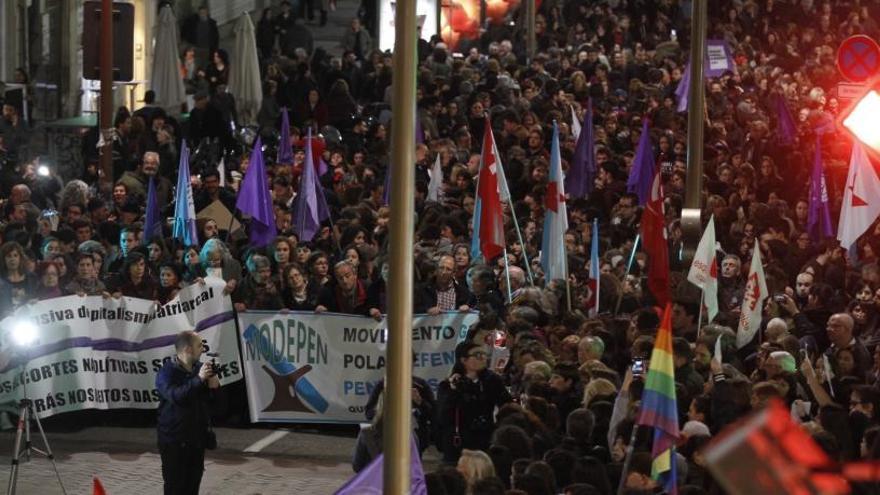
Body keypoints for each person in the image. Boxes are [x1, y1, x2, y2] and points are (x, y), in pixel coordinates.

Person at [156, 330, 220, 495]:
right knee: (175, 487)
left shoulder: (199, 368)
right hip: (174, 441)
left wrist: (214, 385)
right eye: (199, 345)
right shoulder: (166, 373)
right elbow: (177, 397)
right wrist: (199, 380)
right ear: (188, 349)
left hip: (196, 440)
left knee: (193, 487)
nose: (203, 349)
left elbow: (216, 405)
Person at [436, 341, 512, 464]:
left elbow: (506, 404)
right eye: (477, 355)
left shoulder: (492, 381)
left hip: (485, 438)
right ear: (463, 360)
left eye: (484, 354)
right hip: (458, 442)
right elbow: (443, 416)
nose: (483, 358)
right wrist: (454, 391)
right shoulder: (448, 385)